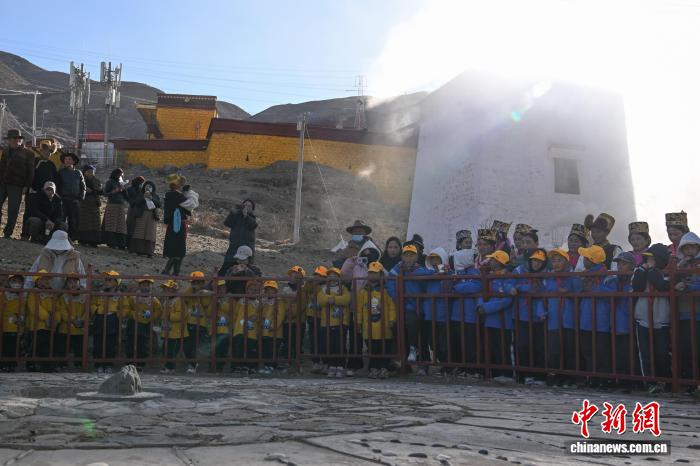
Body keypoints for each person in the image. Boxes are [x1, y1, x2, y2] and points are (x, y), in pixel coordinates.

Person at [633, 243, 671, 394]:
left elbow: (663, 286)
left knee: (662, 352)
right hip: (643, 317)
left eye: (652, 259)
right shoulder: (640, 271)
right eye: (647, 258)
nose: (648, 261)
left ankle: (665, 381)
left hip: (661, 317)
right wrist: (643, 270)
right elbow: (637, 286)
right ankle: (649, 382)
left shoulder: (667, 272)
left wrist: (653, 272)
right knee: (645, 353)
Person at [539, 248, 579, 388]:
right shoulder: (548, 279)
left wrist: (569, 292)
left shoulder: (573, 277)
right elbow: (542, 298)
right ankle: (555, 375)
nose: (556, 263)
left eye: (559, 260)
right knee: (554, 350)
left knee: (569, 349)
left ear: (566, 262)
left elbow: (579, 291)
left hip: (569, 320)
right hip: (553, 320)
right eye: (554, 261)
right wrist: (541, 312)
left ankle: (570, 377)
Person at [509, 248, 548, 385]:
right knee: (521, 345)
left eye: (540, 261)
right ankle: (522, 375)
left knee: (539, 347)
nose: (536, 264)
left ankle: (539, 376)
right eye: (534, 260)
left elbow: (542, 290)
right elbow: (509, 283)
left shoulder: (546, 274)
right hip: (521, 315)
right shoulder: (519, 270)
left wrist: (521, 288)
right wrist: (512, 288)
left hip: (538, 316)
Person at [475, 251, 514, 382]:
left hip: (502, 320)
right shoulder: (489, 277)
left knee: (502, 347)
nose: (490, 262)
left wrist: (486, 308)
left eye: (493, 260)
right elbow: (482, 292)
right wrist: (480, 305)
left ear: (500, 262)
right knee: (491, 346)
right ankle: (493, 373)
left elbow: (507, 300)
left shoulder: (507, 277)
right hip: (489, 319)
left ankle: (506, 374)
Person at [577, 245, 612, 388]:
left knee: (601, 351)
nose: (583, 260)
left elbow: (611, 291)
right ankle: (591, 377)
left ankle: (603, 379)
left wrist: (592, 289)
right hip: (586, 319)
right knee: (587, 350)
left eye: (586, 258)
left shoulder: (607, 276)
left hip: (601, 320)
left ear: (591, 260)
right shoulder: (585, 275)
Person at [386, 244, 424, 367]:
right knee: (395, 327)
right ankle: (398, 358)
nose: (408, 258)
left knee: (412, 323)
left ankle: (413, 348)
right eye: (406, 255)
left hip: (415, 306)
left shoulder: (420, 270)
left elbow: (424, 284)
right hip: (400, 304)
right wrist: (398, 298)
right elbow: (390, 284)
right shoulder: (396, 269)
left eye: (411, 255)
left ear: (416, 257)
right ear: (402, 257)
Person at [357, 262, 396, 379]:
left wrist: (392, 319)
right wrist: (358, 322)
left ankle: (384, 368)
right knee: (372, 348)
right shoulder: (364, 291)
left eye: (375, 273)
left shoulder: (386, 290)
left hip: (384, 326)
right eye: (370, 273)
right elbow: (359, 308)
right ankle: (374, 368)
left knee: (385, 348)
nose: (372, 275)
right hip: (368, 327)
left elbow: (392, 306)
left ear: (381, 274)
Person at [417, 247, 452, 375]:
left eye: (437, 258)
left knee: (443, 341)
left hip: (442, 314)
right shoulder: (427, 273)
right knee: (432, 341)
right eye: (432, 259)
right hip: (429, 313)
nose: (434, 261)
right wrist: (433, 275)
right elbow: (417, 275)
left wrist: (445, 275)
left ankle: (446, 365)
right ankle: (442, 363)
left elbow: (450, 288)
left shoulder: (449, 273)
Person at [603, 252, 635, 389]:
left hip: (627, 324)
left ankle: (628, 380)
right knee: (615, 352)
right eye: (619, 264)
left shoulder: (634, 281)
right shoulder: (613, 281)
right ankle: (617, 379)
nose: (620, 266)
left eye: (624, 264)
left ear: (632, 266)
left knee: (627, 353)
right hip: (614, 323)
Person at [674, 231, 700, 392]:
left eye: (691, 247)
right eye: (685, 248)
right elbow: (671, 280)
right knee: (686, 347)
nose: (688, 251)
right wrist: (680, 267)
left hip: (698, 313)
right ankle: (690, 382)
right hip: (684, 313)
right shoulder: (681, 264)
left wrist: (688, 287)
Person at [451, 249, 482, 378]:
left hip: (470, 314)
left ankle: (472, 368)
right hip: (456, 313)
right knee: (458, 341)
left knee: (470, 343)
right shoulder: (457, 272)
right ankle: (461, 366)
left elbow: (475, 286)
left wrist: (456, 288)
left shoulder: (474, 271)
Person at [0, 129, 35, 239]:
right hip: (3, 183)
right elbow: (1, 167)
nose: (15, 140)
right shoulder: (5, 151)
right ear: (9, 140)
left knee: (13, 210)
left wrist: (26, 186)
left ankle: (8, 233)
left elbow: (31, 171)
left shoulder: (28, 153)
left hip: (17, 185)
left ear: (20, 140)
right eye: (13, 138)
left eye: (17, 138)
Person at [317, 268, 351, 378]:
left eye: (334, 276)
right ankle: (332, 365)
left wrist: (333, 300)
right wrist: (333, 299)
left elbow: (346, 299)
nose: (332, 278)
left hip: (341, 322)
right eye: (330, 276)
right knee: (330, 345)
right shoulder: (324, 289)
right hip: (326, 322)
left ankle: (340, 366)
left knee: (340, 345)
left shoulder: (343, 288)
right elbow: (320, 300)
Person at [21, 140, 58, 240]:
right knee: (28, 212)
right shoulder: (35, 161)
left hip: (47, 194)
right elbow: (29, 175)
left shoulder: (51, 164)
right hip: (33, 192)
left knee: (44, 213)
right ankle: (25, 234)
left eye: (49, 151)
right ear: (41, 151)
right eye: (45, 150)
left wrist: (54, 192)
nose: (47, 153)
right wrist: (28, 187)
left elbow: (55, 180)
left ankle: (40, 235)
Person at [25, 270, 61, 372]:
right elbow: (34, 307)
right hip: (38, 325)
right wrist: (47, 317)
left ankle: (48, 365)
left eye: (47, 279)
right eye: (43, 279)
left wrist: (56, 319)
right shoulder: (33, 293)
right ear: (37, 281)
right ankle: (32, 364)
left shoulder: (52, 293)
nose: (46, 281)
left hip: (51, 326)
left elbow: (57, 307)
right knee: (36, 345)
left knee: (50, 345)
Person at [92, 271, 127, 373]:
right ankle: (98, 364)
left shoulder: (120, 295)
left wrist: (119, 314)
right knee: (98, 341)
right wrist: (97, 310)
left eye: (110, 280)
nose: (107, 282)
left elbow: (125, 307)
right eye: (106, 279)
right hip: (100, 318)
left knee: (111, 343)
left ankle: (108, 364)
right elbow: (92, 304)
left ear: (116, 282)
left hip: (112, 319)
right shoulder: (99, 293)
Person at [125, 276, 162, 370]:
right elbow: (127, 308)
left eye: (148, 285)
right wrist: (133, 314)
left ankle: (141, 364)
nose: (146, 287)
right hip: (133, 322)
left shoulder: (154, 300)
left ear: (151, 286)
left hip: (146, 324)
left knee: (144, 344)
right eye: (143, 285)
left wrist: (151, 316)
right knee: (130, 342)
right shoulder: (133, 298)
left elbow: (158, 311)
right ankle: (130, 363)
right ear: (139, 286)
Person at [182, 271, 212, 374]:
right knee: (186, 345)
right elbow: (184, 296)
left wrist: (205, 294)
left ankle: (193, 364)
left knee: (195, 346)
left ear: (203, 283)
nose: (195, 285)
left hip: (201, 324)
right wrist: (194, 291)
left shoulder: (206, 294)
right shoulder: (189, 291)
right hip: (189, 322)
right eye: (193, 283)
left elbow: (209, 310)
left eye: (198, 283)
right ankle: (192, 363)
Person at [56, 274, 87, 369]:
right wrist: (72, 319)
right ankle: (62, 364)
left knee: (79, 348)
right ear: (66, 284)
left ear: (79, 283)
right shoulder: (63, 297)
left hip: (80, 328)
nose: (73, 284)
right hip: (66, 327)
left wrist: (82, 319)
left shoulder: (85, 296)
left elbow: (88, 310)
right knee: (63, 347)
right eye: (70, 282)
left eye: (75, 282)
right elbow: (62, 310)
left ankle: (79, 364)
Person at [162, 174, 191, 276]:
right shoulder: (177, 196)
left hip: (172, 223)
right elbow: (189, 207)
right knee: (179, 249)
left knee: (175, 248)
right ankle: (172, 271)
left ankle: (172, 270)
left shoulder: (169, 194)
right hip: (178, 223)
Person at [232, 280, 261, 374]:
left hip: (252, 331)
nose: (253, 292)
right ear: (247, 290)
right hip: (239, 330)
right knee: (238, 348)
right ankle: (237, 366)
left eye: (256, 290)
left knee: (251, 349)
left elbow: (260, 316)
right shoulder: (241, 301)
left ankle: (249, 366)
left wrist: (255, 317)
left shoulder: (258, 304)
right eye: (251, 289)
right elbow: (235, 313)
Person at [221, 199, 258, 274]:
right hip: (234, 248)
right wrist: (232, 213)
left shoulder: (252, 218)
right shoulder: (236, 216)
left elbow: (253, 225)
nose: (246, 207)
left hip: (246, 250)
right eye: (245, 205)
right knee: (225, 270)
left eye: (249, 206)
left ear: (252, 209)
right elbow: (227, 223)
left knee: (245, 272)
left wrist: (246, 215)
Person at [280, 266, 308, 361]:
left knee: (298, 341)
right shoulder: (285, 289)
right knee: (287, 340)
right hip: (287, 320)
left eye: (297, 276)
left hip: (299, 320)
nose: (294, 277)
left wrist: (292, 314)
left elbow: (303, 304)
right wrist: (285, 314)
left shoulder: (303, 290)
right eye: (292, 275)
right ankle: (287, 359)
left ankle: (297, 359)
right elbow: (282, 303)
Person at [55, 152, 85, 240]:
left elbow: (83, 187)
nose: (67, 161)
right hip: (63, 199)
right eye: (66, 159)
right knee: (62, 219)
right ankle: (60, 237)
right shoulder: (60, 172)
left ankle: (72, 238)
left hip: (75, 200)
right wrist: (59, 198)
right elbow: (56, 186)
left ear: (73, 161)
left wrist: (80, 198)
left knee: (74, 220)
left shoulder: (78, 173)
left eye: (69, 159)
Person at [260, 280, 286, 375]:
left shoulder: (279, 301)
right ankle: (267, 365)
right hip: (265, 331)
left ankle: (271, 366)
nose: (269, 292)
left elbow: (280, 315)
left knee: (273, 349)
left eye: (272, 289)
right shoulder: (264, 302)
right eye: (267, 290)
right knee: (266, 349)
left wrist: (274, 326)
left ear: (276, 291)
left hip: (275, 331)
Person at [160, 279, 186, 374]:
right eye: (164, 289)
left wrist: (169, 316)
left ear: (174, 290)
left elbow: (181, 314)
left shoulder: (179, 300)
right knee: (165, 349)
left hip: (175, 331)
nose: (165, 291)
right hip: (166, 329)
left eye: (167, 289)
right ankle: (166, 365)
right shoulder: (167, 300)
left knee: (171, 350)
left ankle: (170, 367)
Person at [128, 180, 161, 256]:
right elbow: (136, 202)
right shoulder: (141, 194)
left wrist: (151, 198)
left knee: (150, 234)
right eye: (147, 187)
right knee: (140, 232)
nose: (148, 188)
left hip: (152, 216)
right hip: (141, 215)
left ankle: (148, 251)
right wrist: (143, 198)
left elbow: (159, 204)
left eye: (150, 187)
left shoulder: (155, 196)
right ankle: (138, 250)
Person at [0, 274, 25, 372]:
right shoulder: (3, 294)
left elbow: (22, 309)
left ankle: (12, 365)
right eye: (14, 281)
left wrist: (20, 318)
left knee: (14, 346)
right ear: (9, 282)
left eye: (19, 281)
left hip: (16, 325)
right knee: (5, 345)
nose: (17, 284)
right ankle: (4, 365)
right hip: (5, 325)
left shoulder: (21, 296)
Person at [307, 266, 328, 374]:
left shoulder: (326, 287)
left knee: (323, 340)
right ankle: (315, 362)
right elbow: (305, 289)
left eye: (320, 275)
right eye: (315, 275)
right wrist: (309, 282)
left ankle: (325, 362)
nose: (317, 277)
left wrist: (314, 285)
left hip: (323, 317)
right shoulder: (310, 285)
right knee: (313, 340)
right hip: (312, 316)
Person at [102, 168, 129, 249]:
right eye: (119, 174)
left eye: (122, 174)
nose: (121, 175)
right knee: (111, 224)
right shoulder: (109, 182)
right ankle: (111, 243)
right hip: (112, 205)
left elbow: (126, 197)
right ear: (115, 174)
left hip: (121, 206)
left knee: (121, 225)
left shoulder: (122, 183)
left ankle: (120, 243)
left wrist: (124, 189)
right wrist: (114, 191)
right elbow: (105, 194)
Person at [211, 279, 234, 372]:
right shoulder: (213, 298)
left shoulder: (230, 298)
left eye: (222, 288)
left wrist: (221, 303)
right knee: (213, 350)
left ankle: (219, 368)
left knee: (223, 349)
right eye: (218, 288)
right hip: (214, 329)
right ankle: (212, 367)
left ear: (226, 288)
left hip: (225, 330)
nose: (220, 290)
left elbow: (232, 310)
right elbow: (209, 312)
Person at [76, 165, 102, 246]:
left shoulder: (97, 180)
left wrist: (100, 189)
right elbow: (77, 189)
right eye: (88, 172)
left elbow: (101, 192)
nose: (90, 173)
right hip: (84, 203)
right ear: (84, 172)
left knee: (95, 222)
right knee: (84, 222)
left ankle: (94, 241)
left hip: (95, 203)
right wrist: (84, 189)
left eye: (92, 172)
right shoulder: (80, 180)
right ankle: (83, 240)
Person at [125, 176, 146, 241]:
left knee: (136, 227)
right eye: (141, 182)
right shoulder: (130, 189)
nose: (142, 184)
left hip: (139, 210)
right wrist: (134, 202)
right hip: (132, 208)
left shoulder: (142, 190)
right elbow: (128, 198)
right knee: (130, 225)